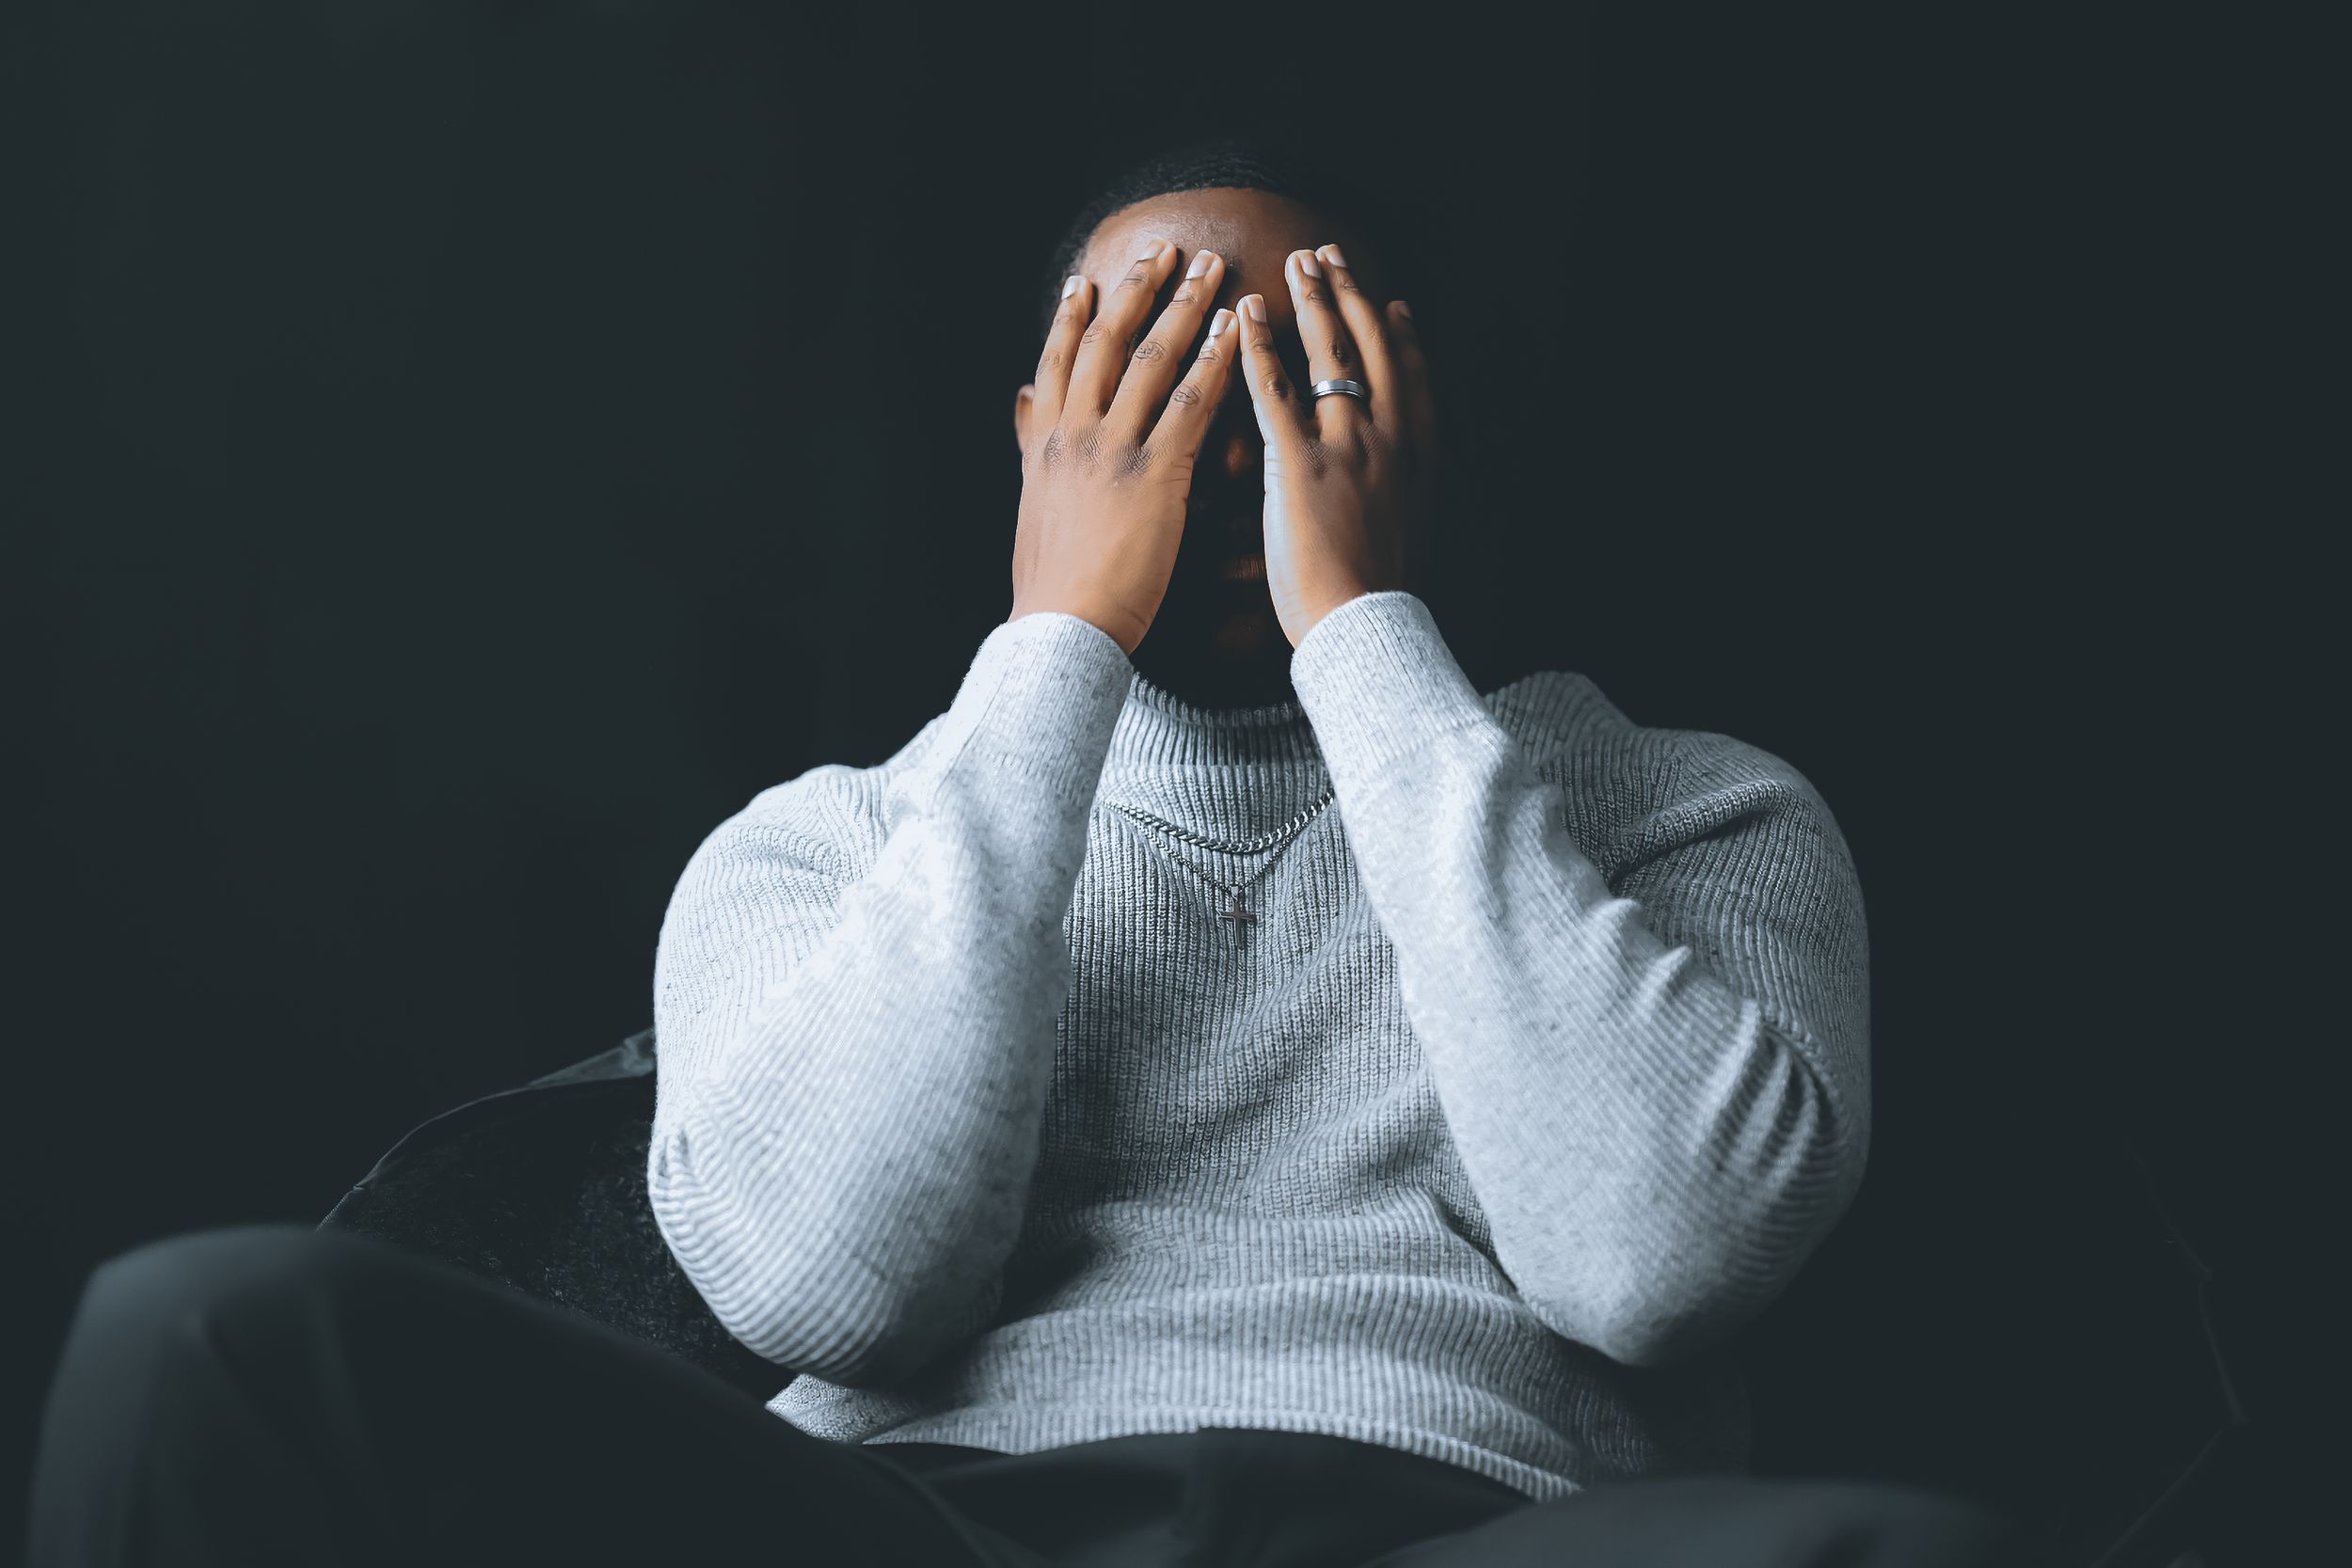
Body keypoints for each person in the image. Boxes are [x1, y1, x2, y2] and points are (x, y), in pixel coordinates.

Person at [27, 135, 2047, 1567]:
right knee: (191, 1334)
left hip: (1463, 1517)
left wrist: (1356, 624)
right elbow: (836, 1283)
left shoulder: (1696, 810)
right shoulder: (821, 852)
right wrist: (1056, 636)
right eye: (1141, 379)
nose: (1211, 444)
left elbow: (1655, 1255)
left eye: (1279, 377)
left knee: (1903, 1555)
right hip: (921, 1525)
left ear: (1409, 428)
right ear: (1031, 436)